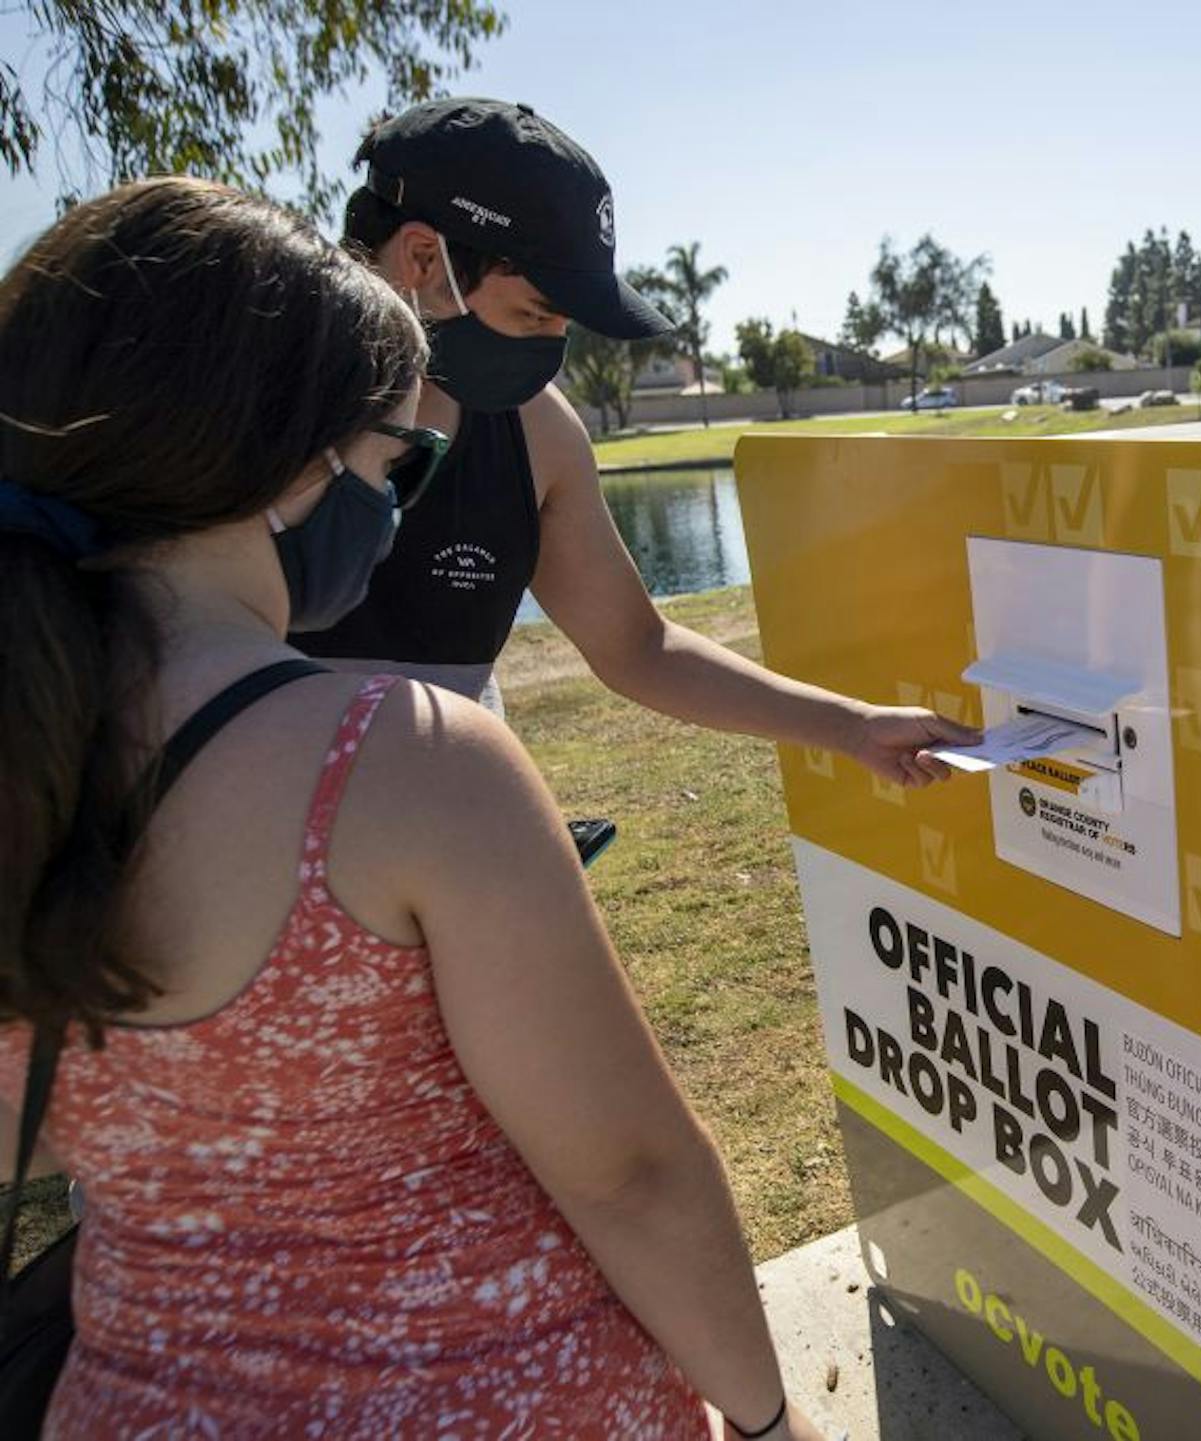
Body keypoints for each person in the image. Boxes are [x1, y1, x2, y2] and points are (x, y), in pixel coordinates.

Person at [0, 178, 829, 1439]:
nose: (395, 506)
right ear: (288, 457)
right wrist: (770, 1419)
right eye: (400, 460)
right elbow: (632, 1174)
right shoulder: (408, 763)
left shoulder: (30, 752)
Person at [298, 96, 968, 786]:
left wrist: (852, 727)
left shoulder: (538, 432)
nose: (552, 351)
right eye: (536, 312)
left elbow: (640, 647)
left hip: (453, 844)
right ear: (421, 258)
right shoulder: (258, 405)